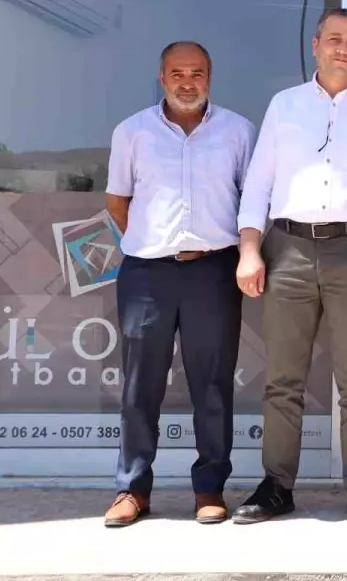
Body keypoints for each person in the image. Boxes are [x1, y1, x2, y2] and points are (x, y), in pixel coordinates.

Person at [233, 7, 347, 525]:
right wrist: (249, 248)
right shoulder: (284, 105)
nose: (343, 49)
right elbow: (259, 182)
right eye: (334, 39)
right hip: (287, 247)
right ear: (315, 45)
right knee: (283, 378)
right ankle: (276, 486)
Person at [102, 41, 255, 527]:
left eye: (197, 73)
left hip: (213, 271)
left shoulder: (238, 131)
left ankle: (210, 488)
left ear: (210, 76)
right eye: (177, 73)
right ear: (161, 77)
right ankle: (132, 488)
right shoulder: (132, 132)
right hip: (148, 273)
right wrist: (155, 243)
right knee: (140, 384)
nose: (187, 83)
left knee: (212, 384)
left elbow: (252, 201)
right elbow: (118, 202)